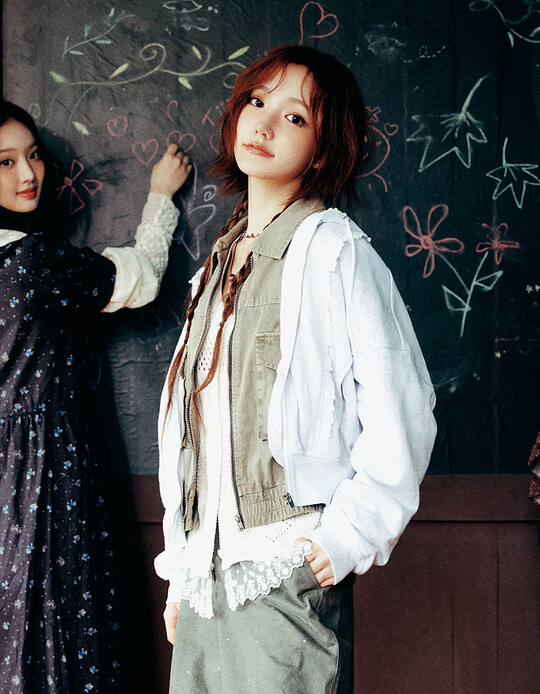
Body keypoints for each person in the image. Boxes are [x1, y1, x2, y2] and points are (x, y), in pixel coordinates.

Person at [155, 45, 437, 693]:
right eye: (257, 101)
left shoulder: (336, 250)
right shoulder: (216, 267)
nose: (263, 123)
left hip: (285, 571)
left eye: (295, 117)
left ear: (323, 149)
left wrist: (345, 537)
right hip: (204, 582)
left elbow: (404, 407)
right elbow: (188, 432)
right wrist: (182, 569)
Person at [0, 99, 191, 693]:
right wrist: (160, 196)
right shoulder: (33, 260)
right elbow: (143, 277)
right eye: (5, 162)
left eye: (33, 155)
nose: (28, 173)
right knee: (57, 614)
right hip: (43, 468)